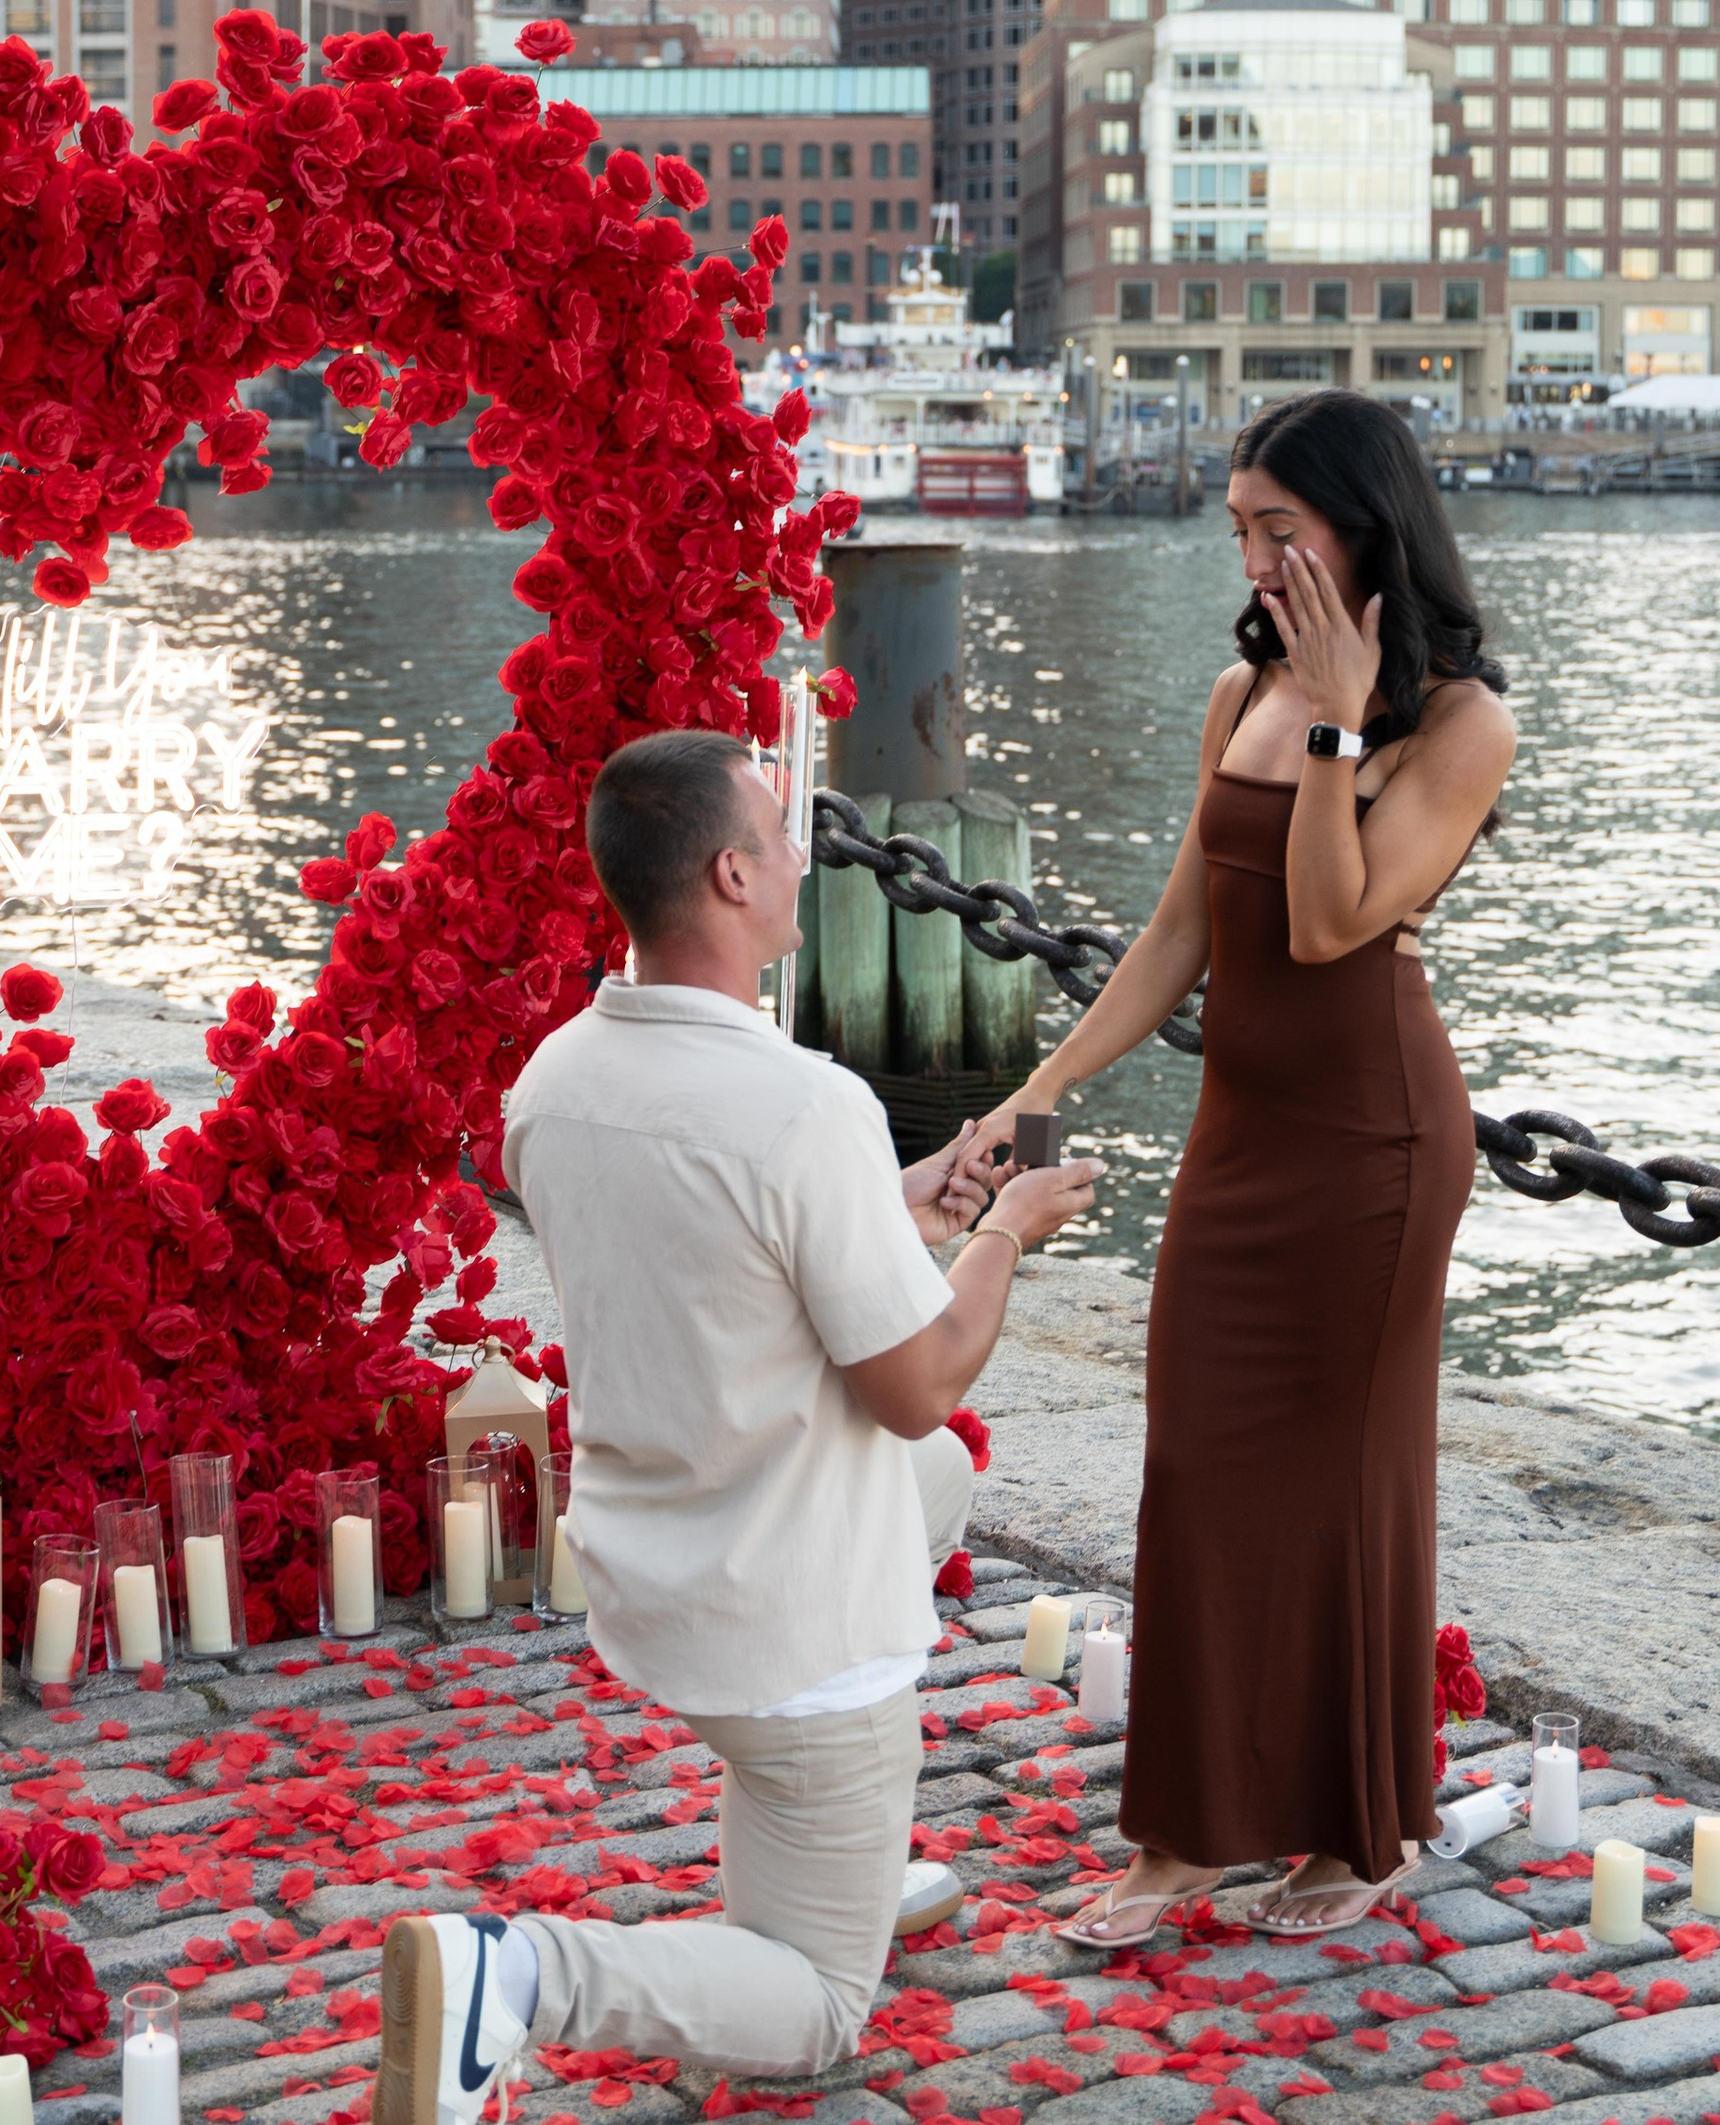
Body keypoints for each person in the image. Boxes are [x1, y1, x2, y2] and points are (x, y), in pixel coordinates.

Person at [373, 728, 1103, 2125]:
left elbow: (718, 1247)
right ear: (728, 874)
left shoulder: (556, 1081)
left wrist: (908, 1194)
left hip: (663, 1567)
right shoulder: (801, 1105)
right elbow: (915, 1383)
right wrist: (1001, 1231)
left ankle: (840, 1845)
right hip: (792, 1617)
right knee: (821, 2005)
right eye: (779, 833)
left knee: (935, 1485)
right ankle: (516, 1976)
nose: (799, 855)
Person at [975, 389, 1515, 1947]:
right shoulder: (1237, 694)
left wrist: (1346, 727)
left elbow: (1338, 918)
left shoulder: (1463, 724)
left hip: (1376, 1144)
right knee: (1198, 1471)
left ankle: (1356, 1835)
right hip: (1245, 1136)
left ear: (1367, 527)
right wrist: (1035, 1093)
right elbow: (1180, 938)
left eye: (1286, 528)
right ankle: (1191, 1834)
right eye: (1241, 533)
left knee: (1349, 1485)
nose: (1262, 558)